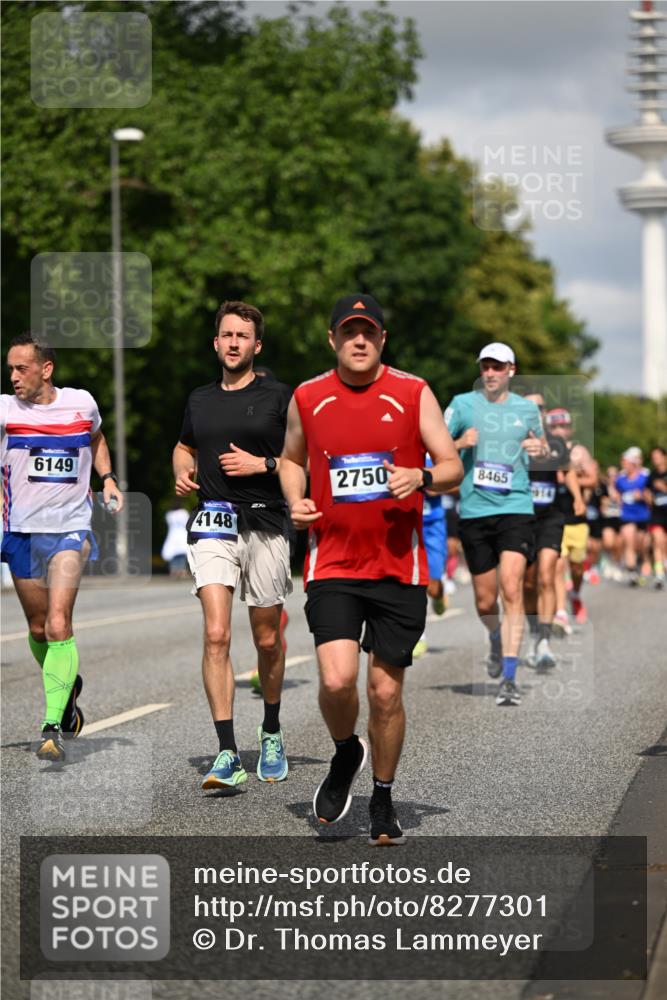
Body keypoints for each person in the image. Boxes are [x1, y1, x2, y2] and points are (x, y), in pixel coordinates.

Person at [279, 293, 462, 845]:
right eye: (349, 331)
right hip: (331, 561)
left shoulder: (412, 392)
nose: (359, 341)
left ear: (382, 339)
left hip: (397, 568)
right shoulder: (308, 397)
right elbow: (290, 459)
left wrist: (423, 477)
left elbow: (452, 464)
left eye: (370, 332)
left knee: (384, 694)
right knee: (336, 678)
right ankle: (345, 752)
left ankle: (383, 798)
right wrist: (294, 500)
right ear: (332, 339)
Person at [172, 301, 292, 790]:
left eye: (243, 335)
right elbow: (185, 444)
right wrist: (181, 467)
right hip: (214, 522)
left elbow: (303, 461)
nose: (234, 342)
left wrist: (263, 466)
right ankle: (227, 751)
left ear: (256, 345)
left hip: (265, 522)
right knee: (217, 635)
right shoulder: (200, 399)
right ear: (216, 343)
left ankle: (270, 730)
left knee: (266, 638)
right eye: (227, 335)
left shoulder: (280, 398)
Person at [1, 333, 123, 761]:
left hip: (70, 528)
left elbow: (96, 439)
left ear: (45, 369)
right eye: (10, 368)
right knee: (37, 629)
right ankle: (68, 689)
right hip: (20, 531)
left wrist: (107, 479)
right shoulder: (5, 411)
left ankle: (52, 724)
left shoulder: (81, 403)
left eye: (21, 368)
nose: (13, 376)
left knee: (57, 623)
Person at [445, 343, 547, 706]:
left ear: (511, 371)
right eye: (485, 366)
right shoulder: (462, 404)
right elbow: (434, 447)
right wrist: (459, 442)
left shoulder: (527, 408)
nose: (490, 372)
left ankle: (509, 675)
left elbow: (543, 447)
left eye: (498, 367)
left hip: (516, 507)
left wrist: (540, 451)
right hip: (474, 512)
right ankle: (494, 637)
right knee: (487, 601)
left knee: (512, 588)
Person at [523, 393, 585, 670]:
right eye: (530, 407)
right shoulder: (512, 441)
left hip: (551, 516)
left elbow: (568, 470)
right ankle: (535, 630)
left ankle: (544, 641)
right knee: (527, 583)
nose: (536, 411)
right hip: (521, 519)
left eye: (539, 407)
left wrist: (578, 497)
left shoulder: (556, 442)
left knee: (548, 574)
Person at [547, 408, 598, 634]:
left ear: (570, 428)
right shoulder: (545, 450)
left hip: (576, 518)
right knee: (557, 566)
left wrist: (571, 476)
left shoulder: (579, 452)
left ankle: (575, 594)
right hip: (552, 516)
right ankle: (560, 612)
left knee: (577, 567)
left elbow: (593, 478)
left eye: (563, 426)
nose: (559, 430)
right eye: (554, 426)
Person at [413, 453, 448, 658]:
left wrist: (434, 484)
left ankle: (439, 595)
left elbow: (456, 484)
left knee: (432, 587)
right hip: (408, 522)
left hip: (433, 525)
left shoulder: (436, 450)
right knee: (413, 582)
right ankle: (419, 635)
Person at [616, 446, 651, 586]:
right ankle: (632, 572)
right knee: (629, 541)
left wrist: (642, 496)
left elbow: (650, 497)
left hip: (642, 515)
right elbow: (617, 494)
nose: (625, 464)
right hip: (627, 515)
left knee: (641, 544)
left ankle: (643, 561)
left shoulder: (644, 477)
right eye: (624, 462)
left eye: (628, 462)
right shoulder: (620, 479)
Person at [648, 446, 667, 588]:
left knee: (664, 543)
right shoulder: (652, 475)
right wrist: (647, 496)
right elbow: (647, 492)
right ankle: (659, 574)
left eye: (657, 456)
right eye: (653, 457)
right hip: (657, 514)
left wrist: (664, 488)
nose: (655, 459)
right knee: (657, 540)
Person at [161, 501, 190, 579]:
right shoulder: (183, 513)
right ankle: (182, 571)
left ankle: (173, 571)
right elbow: (187, 523)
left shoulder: (169, 514)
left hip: (173, 535)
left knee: (173, 554)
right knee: (182, 554)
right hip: (182, 534)